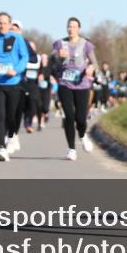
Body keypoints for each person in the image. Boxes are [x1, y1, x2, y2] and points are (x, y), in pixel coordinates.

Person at [0, 12, 29, 161]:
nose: (2, 25)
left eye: (5, 23)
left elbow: (25, 57)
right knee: (0, 115)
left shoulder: (17, 38)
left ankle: (12, 136)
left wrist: (15, 70)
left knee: (12, 117)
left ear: (9, 24)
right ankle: (2, 148)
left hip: (13, 83)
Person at [51, 17, 98, 161]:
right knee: (69, 117)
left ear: (79, 29)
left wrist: (91, 67)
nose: (71, 29)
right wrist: (58, 56)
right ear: (67, 28)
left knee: (81, 118)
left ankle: (83, 136)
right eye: (69, 26)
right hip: (65, 84)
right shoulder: (60, 44)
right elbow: (51, 60)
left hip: (82, 85)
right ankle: (71, 149)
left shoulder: (86, 44)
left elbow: (95, 62)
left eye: (74, 26)